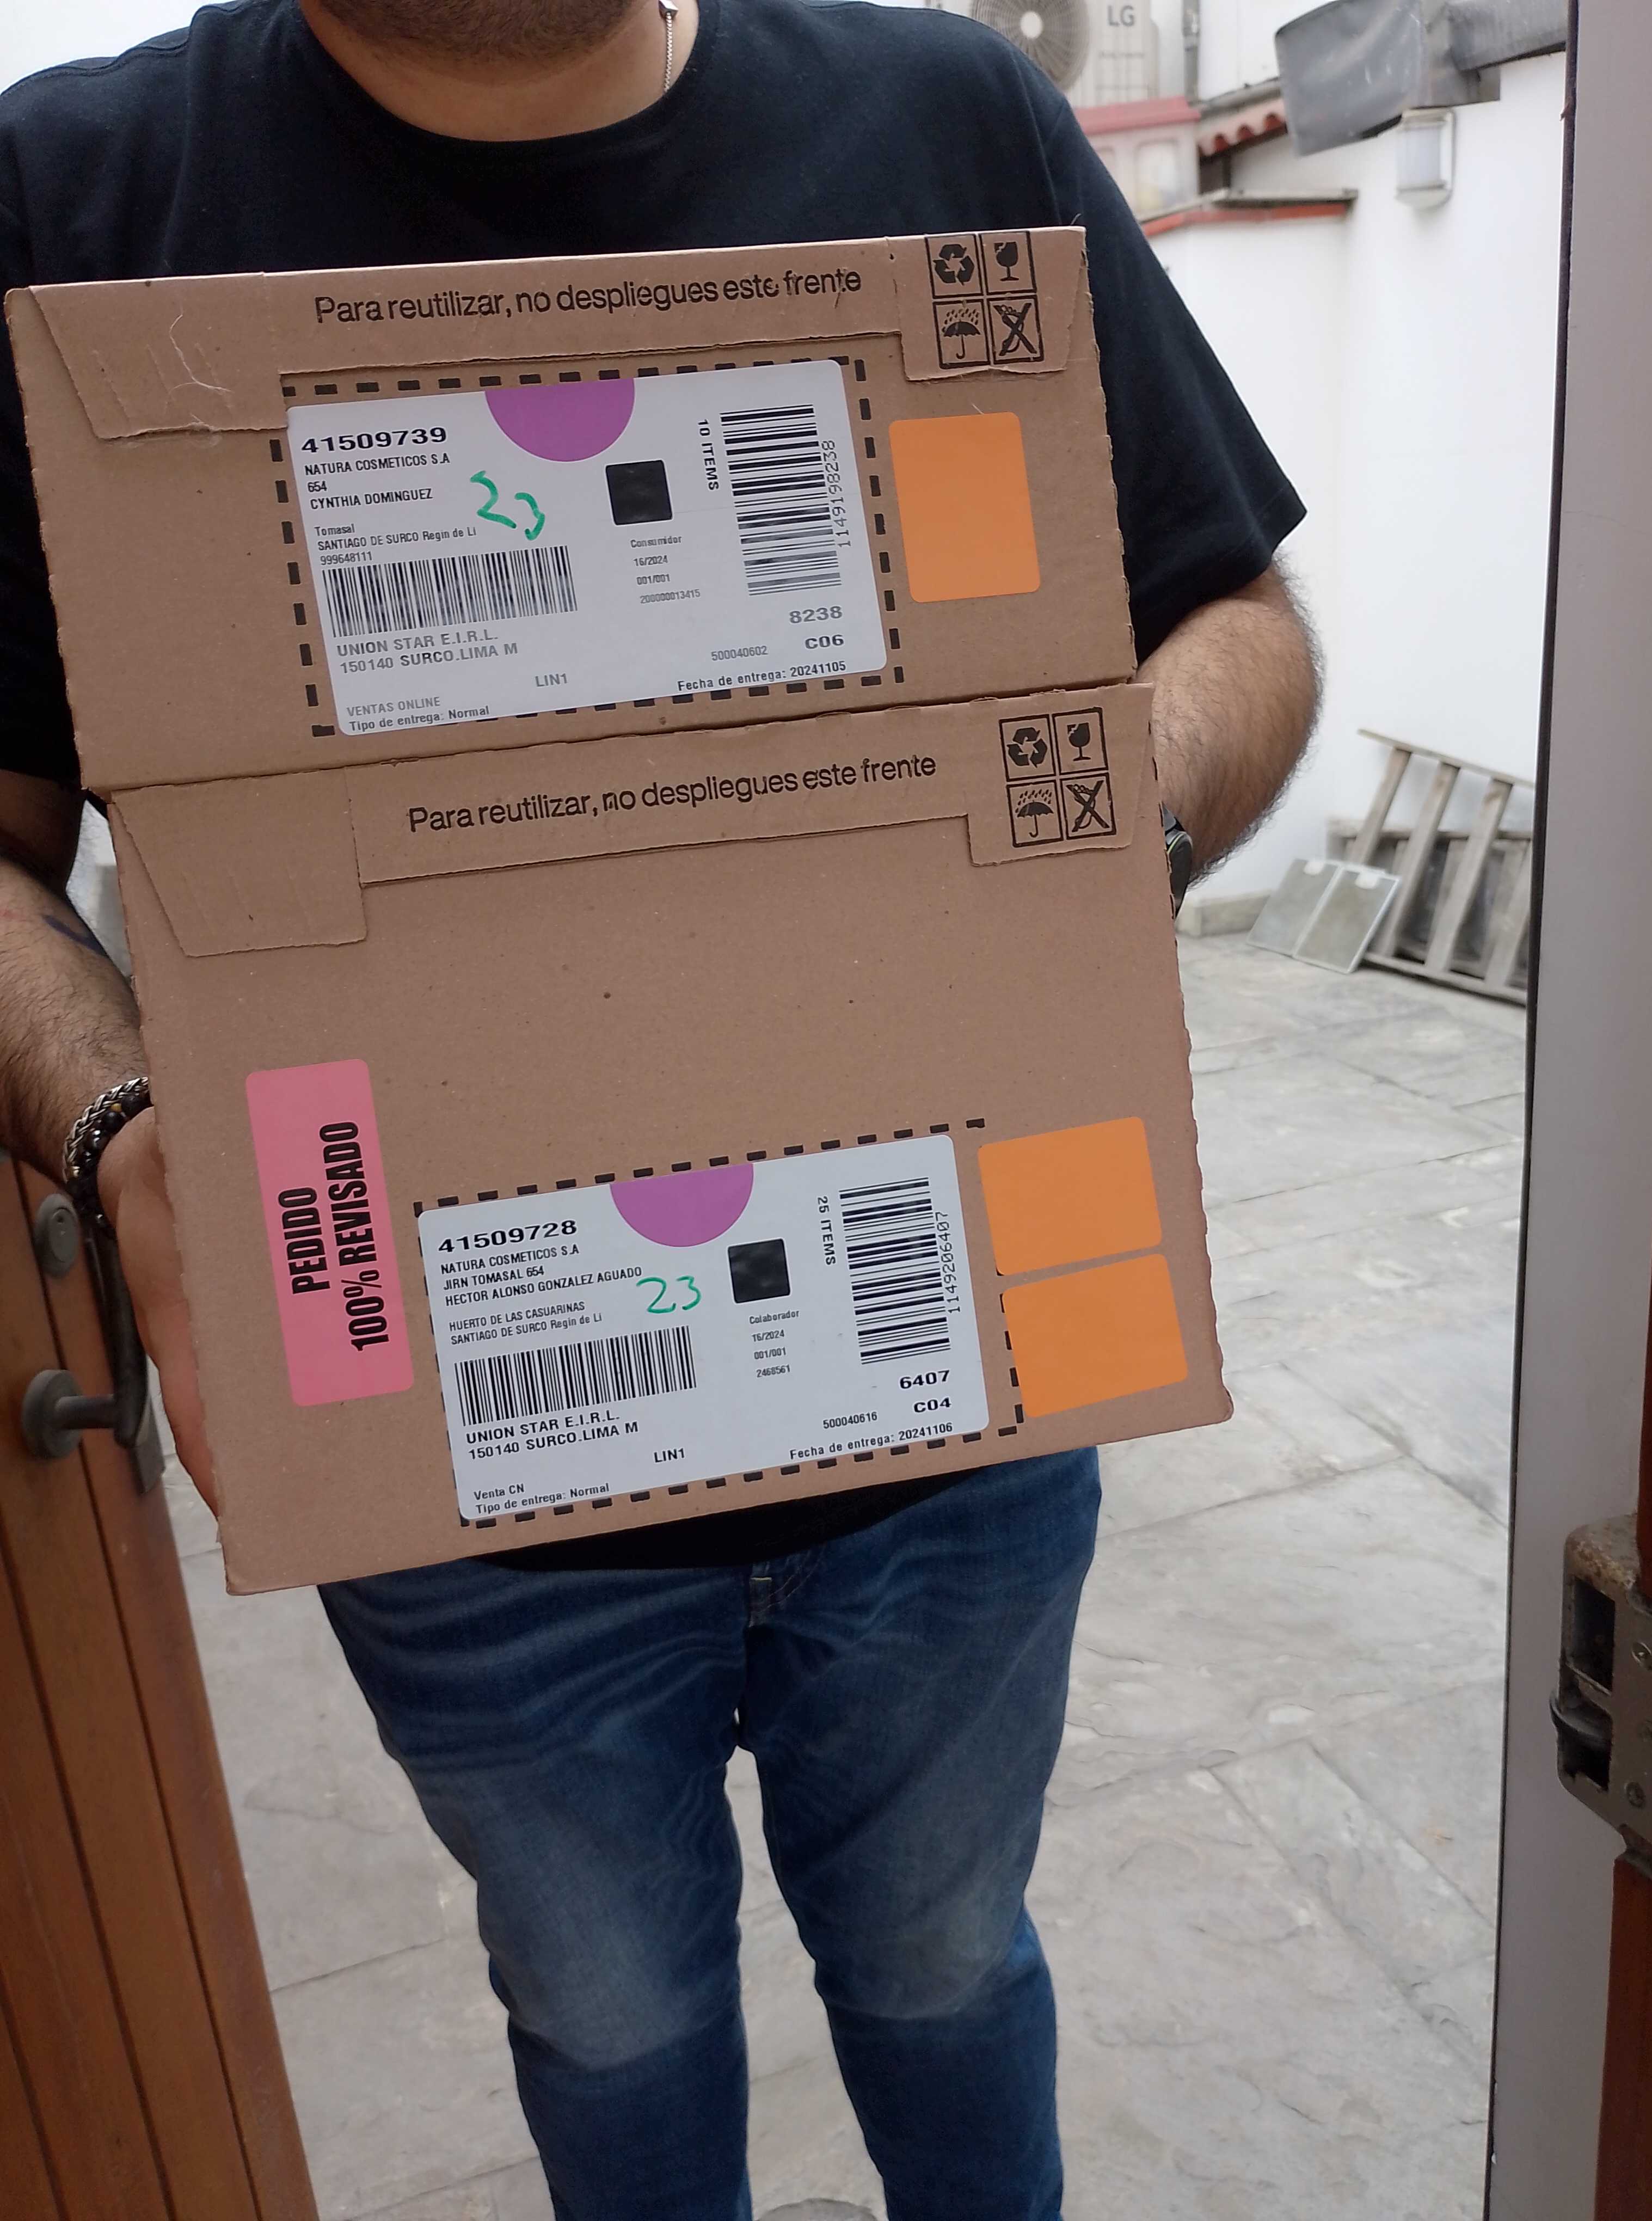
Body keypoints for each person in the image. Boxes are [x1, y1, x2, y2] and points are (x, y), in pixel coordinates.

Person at [0, 3, 1317, 2214]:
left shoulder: (945, 118)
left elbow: (1230, 615)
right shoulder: (77, 204)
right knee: (606, 2013)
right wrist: (127, 1122)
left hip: (956, 1403)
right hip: (459, 1481)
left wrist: (1080, 842)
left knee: (943, 1956)